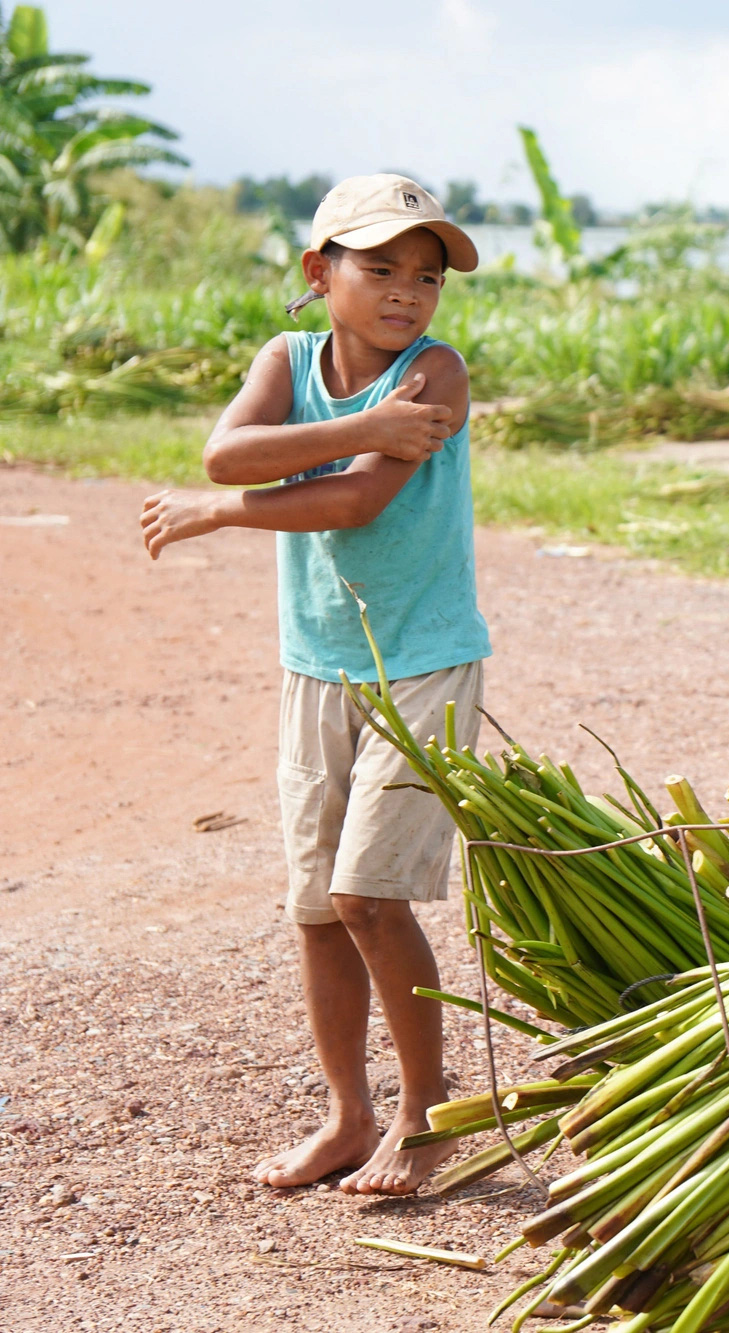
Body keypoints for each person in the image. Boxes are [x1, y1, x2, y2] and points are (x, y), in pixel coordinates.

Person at [139, 174, 487, 1196]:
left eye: (425, 276)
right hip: (316, 663)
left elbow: (357, 501)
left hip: (420, 660)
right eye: (379, 268)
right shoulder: (285, 361)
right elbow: (222, 450)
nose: (405, 294)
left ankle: (426, 1119)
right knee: (316, 905)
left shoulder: (439, 373)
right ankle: (348, 1116)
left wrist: (225, 515)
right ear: (318, 271)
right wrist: (357, 425)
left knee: (367, 891)